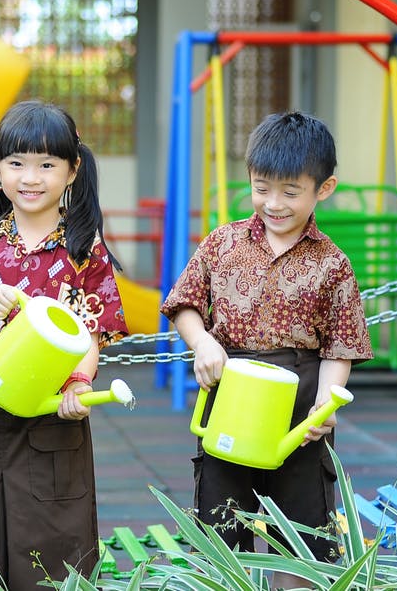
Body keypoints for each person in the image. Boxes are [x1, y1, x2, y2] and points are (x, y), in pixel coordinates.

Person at [160, 111, 373, 589]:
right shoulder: (223, 242)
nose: (273, 203)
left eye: (290, 192)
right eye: (262, 188)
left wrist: (328, 399)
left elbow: (341, 344)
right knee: (221, 526)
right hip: (231, 393)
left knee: (300, 537)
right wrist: (204, 342)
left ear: (324, 188)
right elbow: (184, 304)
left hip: (300, 404)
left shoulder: (334, 264)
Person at [0, 100, 128, 590]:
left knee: (52, 550)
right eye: (15, 163)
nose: (29, 178)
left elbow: (90, 334)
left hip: (51, 413)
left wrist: (80, 383)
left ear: (72, 171)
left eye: (46, 164)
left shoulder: (85, 249)